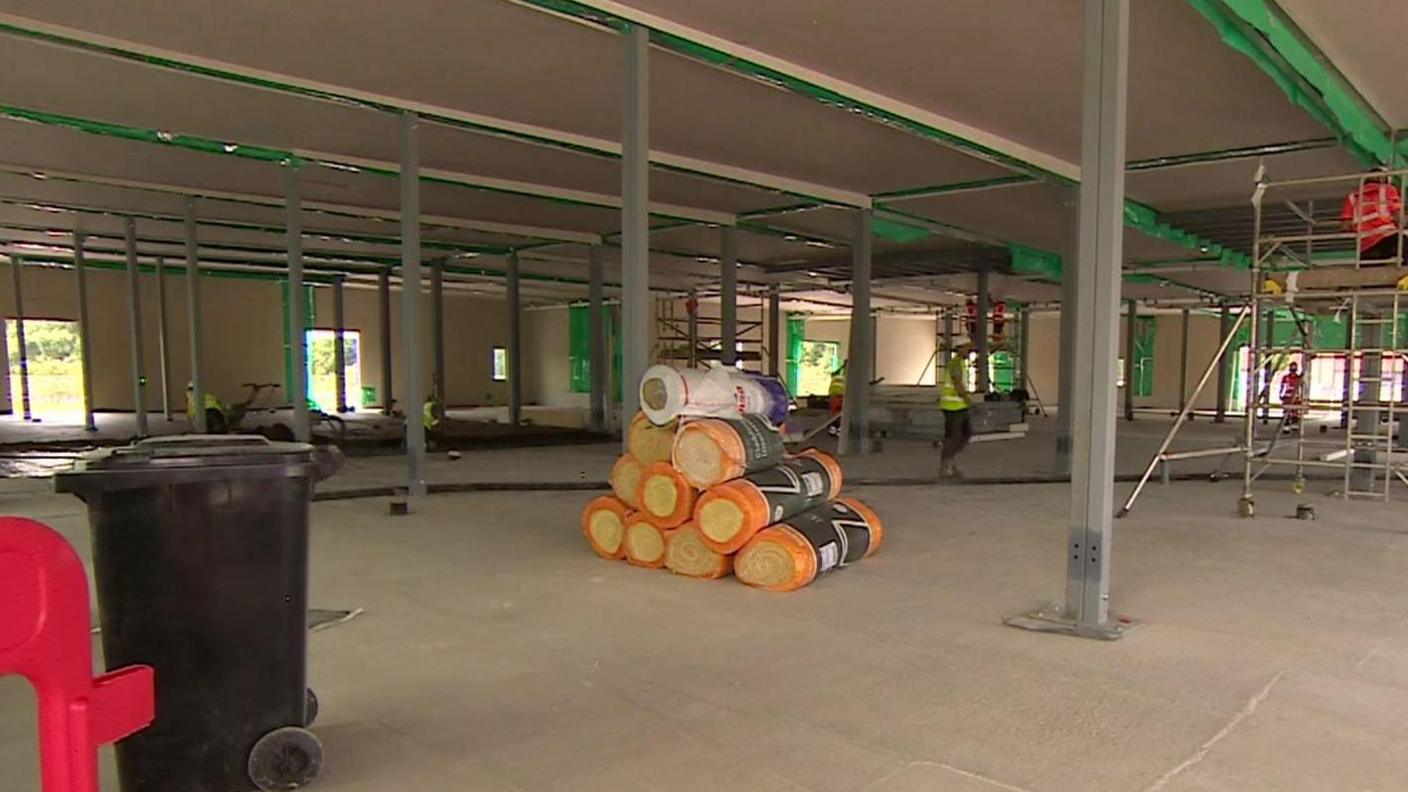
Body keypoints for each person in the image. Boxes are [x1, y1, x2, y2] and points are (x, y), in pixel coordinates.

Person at [1341, 169, 1405, 264]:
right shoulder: (1388, 189)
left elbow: (1345, 226)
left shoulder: (1351, 197)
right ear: (1383, 179)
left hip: (1365, 247)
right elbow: (1400, 218)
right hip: (1388, 239)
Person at [939, 343, 977, 478]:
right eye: (967, 347)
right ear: (960, 348)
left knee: (966, 433)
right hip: (952, 406)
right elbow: (957, 382)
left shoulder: (960, 363)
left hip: (959, 406)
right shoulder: (955, 363)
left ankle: (950, 458)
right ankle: (947, 465)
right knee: (954, 437)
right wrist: (966, 398)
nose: (969, 350)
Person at [1279, 361, 1303, 431]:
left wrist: (1301, 397)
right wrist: (1281, 394)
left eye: (1294, 369)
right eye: (1292, 369)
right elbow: (1282, 386)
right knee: (1286, 411)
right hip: (1287, 397)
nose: (1293, 371)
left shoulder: (1298, 378)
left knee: (1295, 412)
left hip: (1296, 397)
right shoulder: (1286, 378)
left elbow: (1301, 388)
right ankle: (1286, 425)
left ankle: (1294, 424)